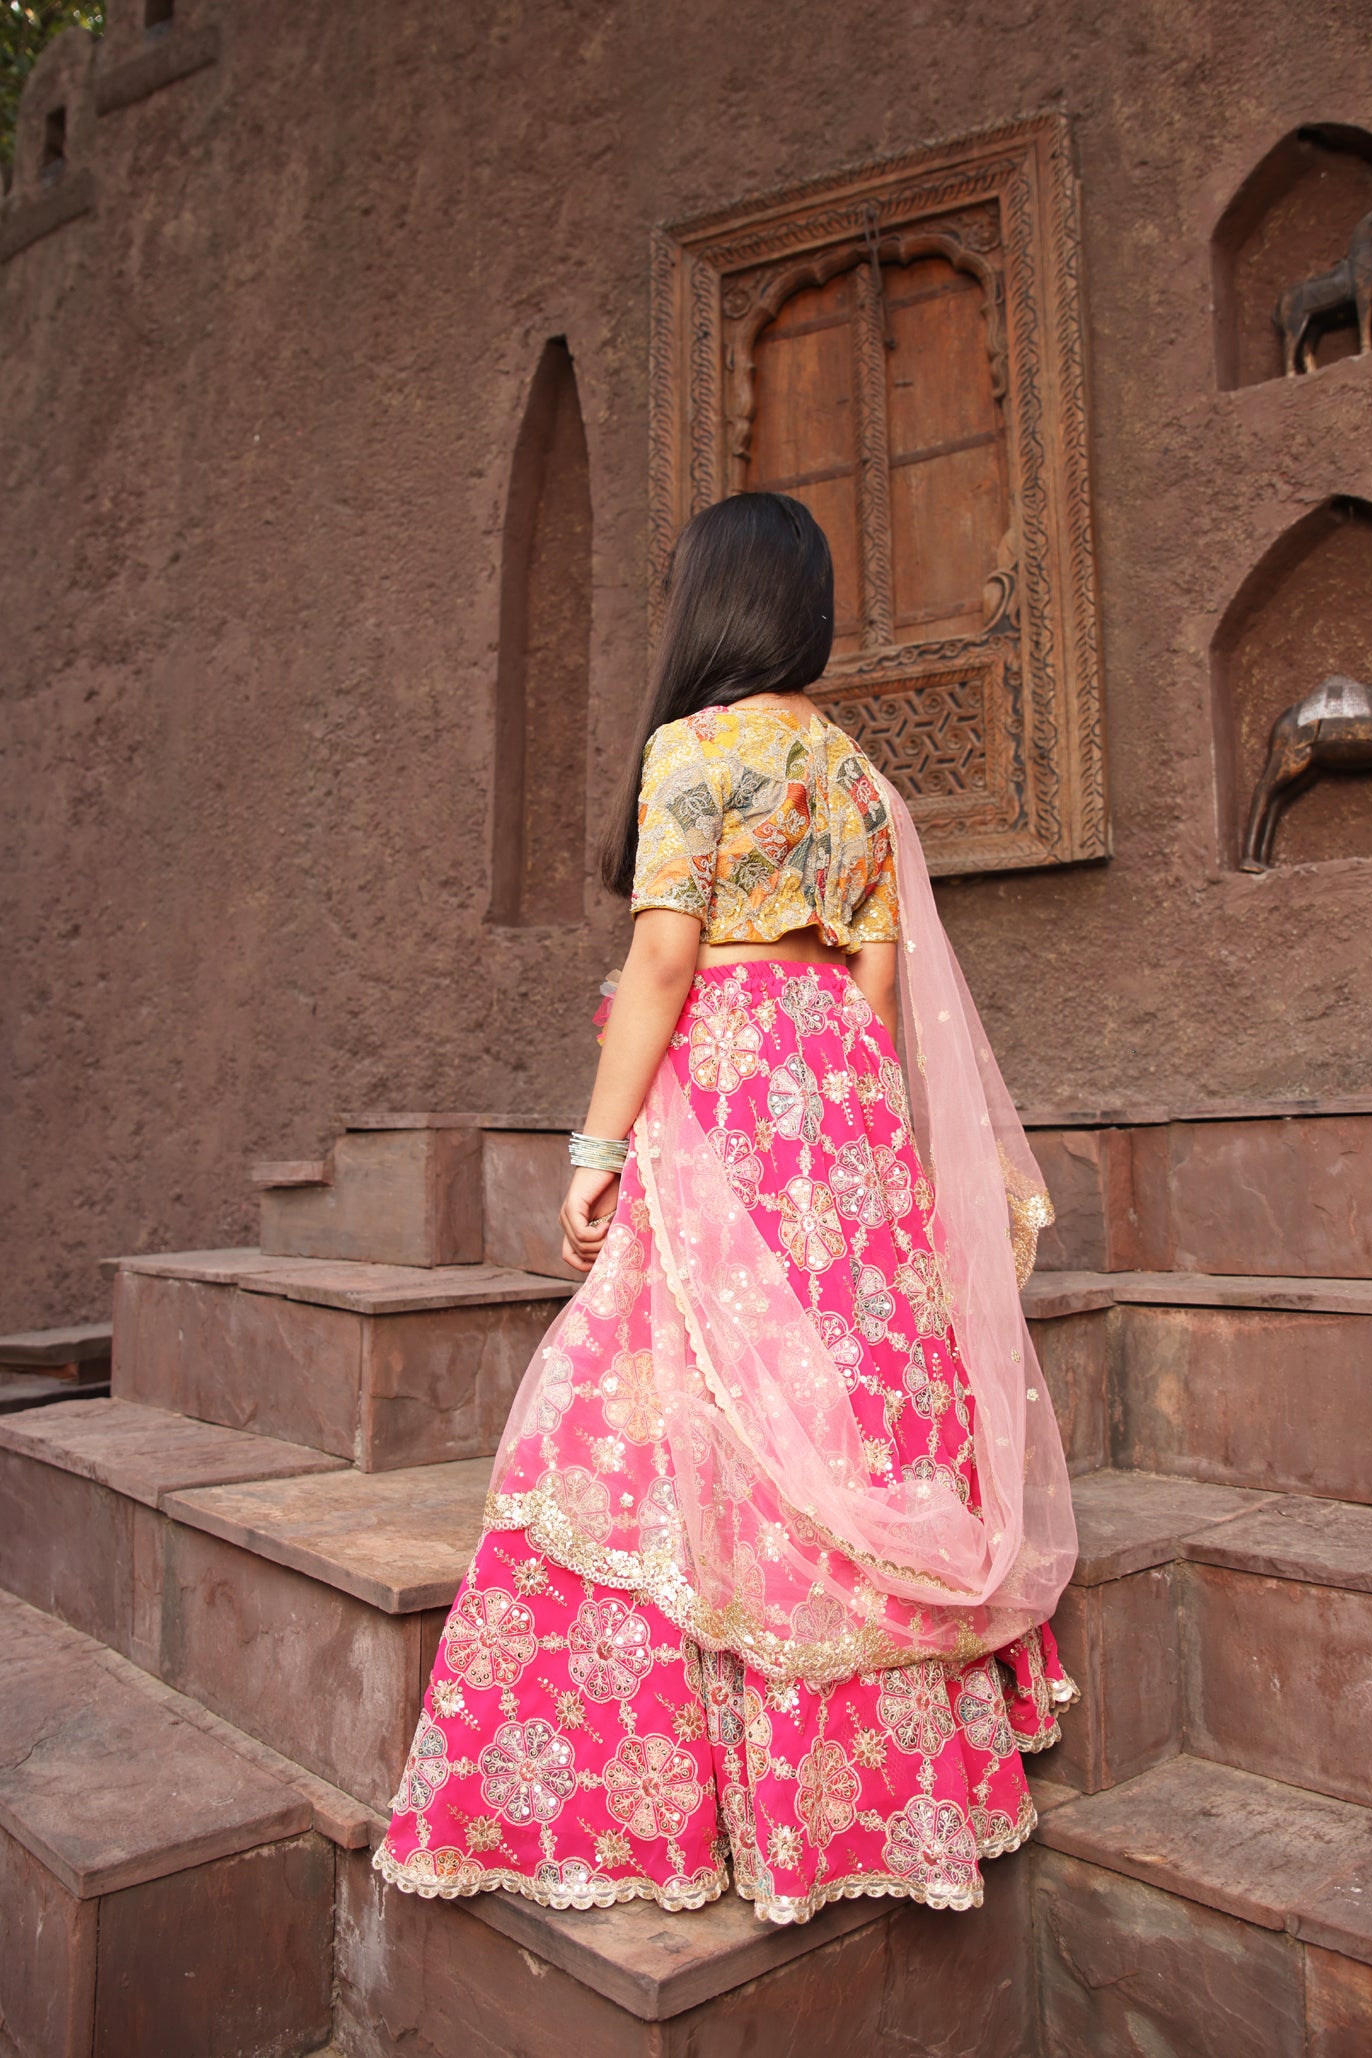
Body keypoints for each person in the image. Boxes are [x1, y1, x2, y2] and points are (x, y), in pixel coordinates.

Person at [375, 491, 1077, 1926]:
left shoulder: (693, 754)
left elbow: (664, 964)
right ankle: (887, 1792)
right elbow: (878, 988)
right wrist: (849, 1140)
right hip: (842, 1111)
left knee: (661, 1400)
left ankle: (646, 1788)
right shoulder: (860, 778)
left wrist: (597, 1143)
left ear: (711, 606)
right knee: (852, 1408)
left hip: (730, 1094)